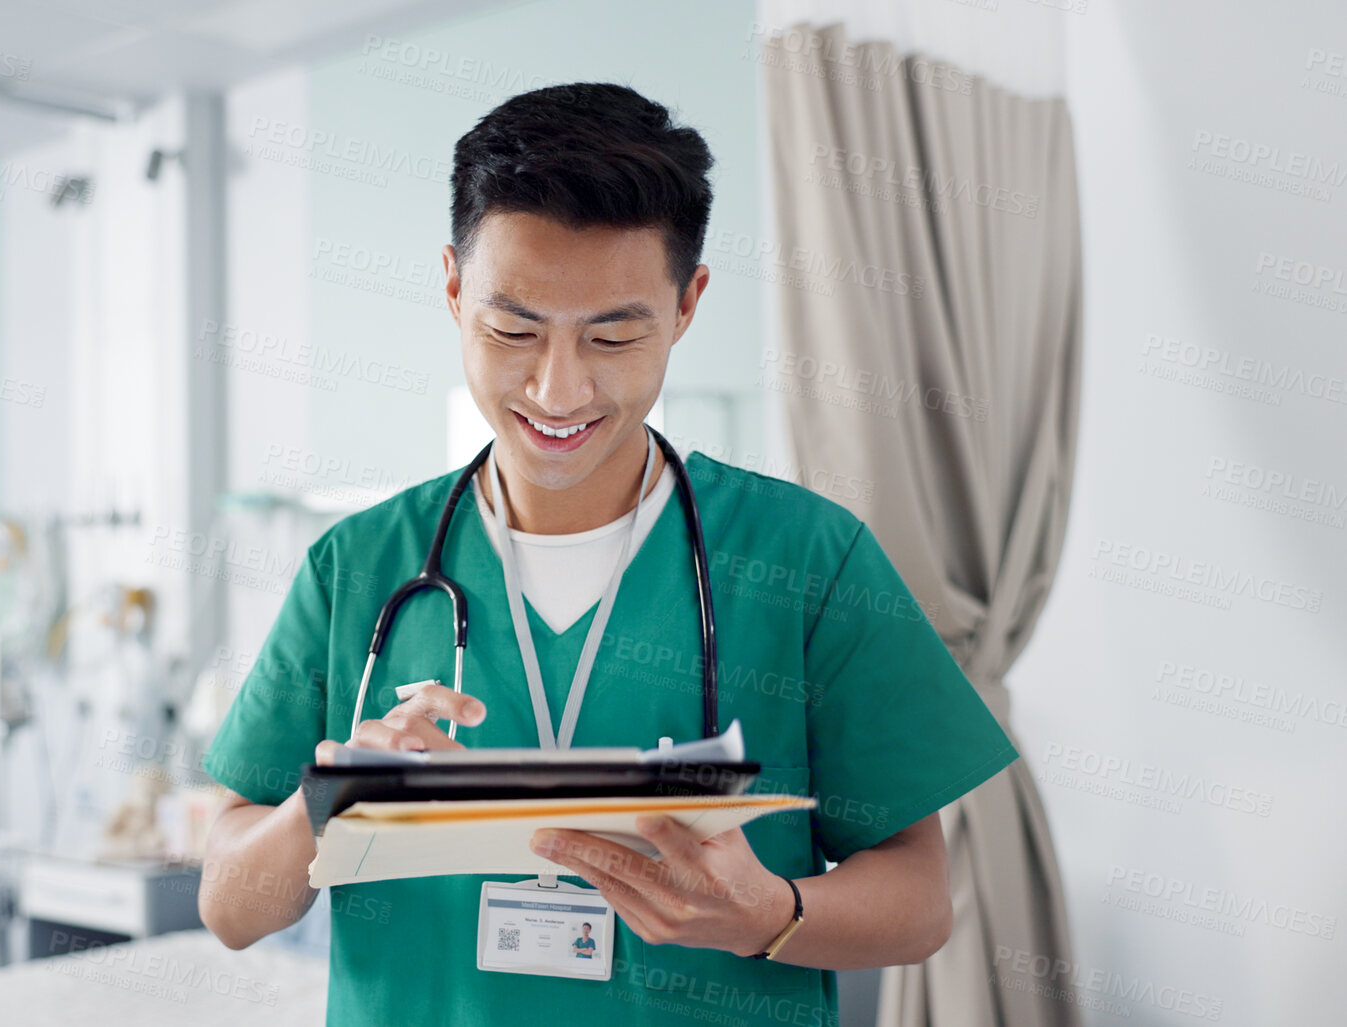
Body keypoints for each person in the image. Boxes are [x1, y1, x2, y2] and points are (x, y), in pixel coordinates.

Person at [196, 82, 1017, 1026]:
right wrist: (328, 801)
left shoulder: (807, 560)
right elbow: (227, 903)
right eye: (512, 329)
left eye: (614, 333)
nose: (558, 387)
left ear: (686, 303)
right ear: (454, 287)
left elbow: (918, 902)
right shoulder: (355, 567)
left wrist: (769, 915)